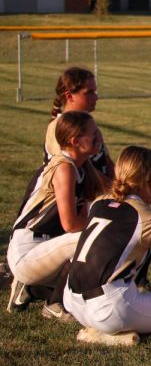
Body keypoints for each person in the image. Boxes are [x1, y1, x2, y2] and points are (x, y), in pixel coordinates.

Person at [64, 146, 151, 342]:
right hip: (109, 309)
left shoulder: (100, 201)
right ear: (150, 179)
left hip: (73, 301)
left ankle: (107, 329)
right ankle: (109, 335)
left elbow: (129, 222)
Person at [7, 111, 103, 316]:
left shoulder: (83, 167)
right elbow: (70, 224)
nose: (99, 137)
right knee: (89, 239)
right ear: (76, 141)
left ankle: (31, 289)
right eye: (93, 133)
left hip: (46, 248)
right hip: (28, 249)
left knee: (95, 261)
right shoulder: (64, 168)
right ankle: (53, 304)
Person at [44, 66, 115, 181]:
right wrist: (113, 189)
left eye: (95, 91)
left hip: (102, 194)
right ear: (69, 96)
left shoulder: (89, 123)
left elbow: (107, 162)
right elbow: (73, 171)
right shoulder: (58, 128)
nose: (96, 97)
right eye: (89, 93)